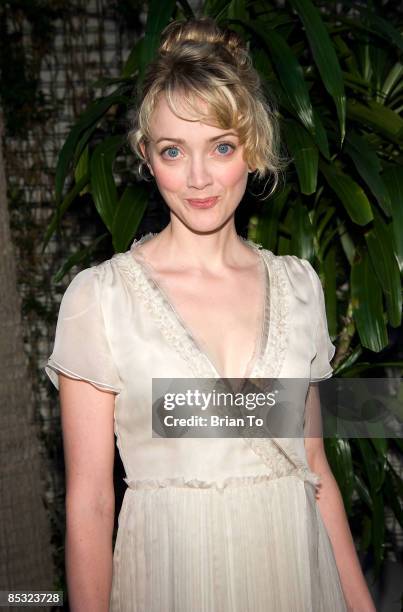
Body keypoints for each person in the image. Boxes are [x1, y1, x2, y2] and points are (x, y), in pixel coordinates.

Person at [44, 16, 376, 612]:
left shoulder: (300, 288)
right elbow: (91, 500)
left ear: (252, 147)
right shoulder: (101, 299)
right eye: (174, 151)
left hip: (294, 578)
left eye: (221, 147)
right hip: (171, 582)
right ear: (147, 156)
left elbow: (315, 471)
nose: (198, 178)